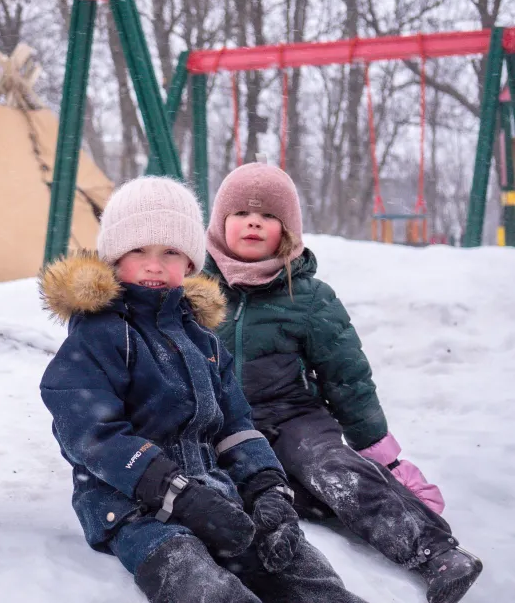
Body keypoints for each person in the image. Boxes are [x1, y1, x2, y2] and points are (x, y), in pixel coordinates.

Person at [38, 176, 367, 602]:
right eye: (137, 251)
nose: (154, 265)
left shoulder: (203, 340)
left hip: (214, 490)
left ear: (191, 263)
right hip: (132, 506)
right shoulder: (99, 335)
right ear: (113, 259)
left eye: (170, 252)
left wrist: (267, 487)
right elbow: (91, 436)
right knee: (195, 578)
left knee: (295, 563)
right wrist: (178, 496)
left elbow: (235, 423)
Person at [203, 160, 482, 603]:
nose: (253, 221)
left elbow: (347, 377)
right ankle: (305, 501)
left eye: (269, 216)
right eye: (240, 213)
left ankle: (436, 553)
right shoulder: (193, 289)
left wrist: (383, 457)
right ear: (219, 225)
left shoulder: (309, 297)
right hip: (221, 422)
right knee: (232, 489)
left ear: (288, 231)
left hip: (293, 416)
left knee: (333, 469)